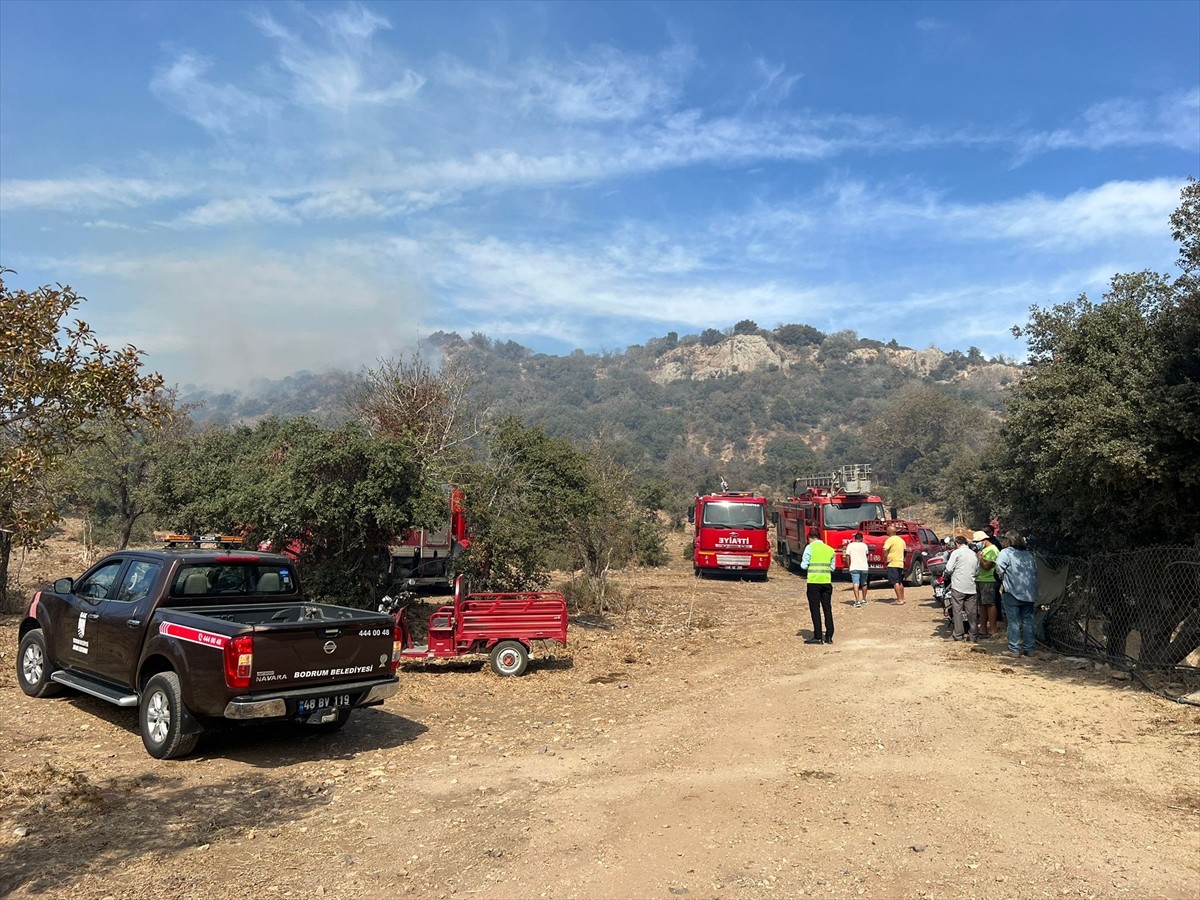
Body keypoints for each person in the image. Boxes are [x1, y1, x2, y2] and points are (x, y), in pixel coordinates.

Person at [995, 531, 1038, 658]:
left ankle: (1014, 649)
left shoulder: (1006, 552)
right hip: (1029, 593)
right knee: (1027, 621)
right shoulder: (1029, 554)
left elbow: (998, 566)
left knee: (1013, 621)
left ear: (1009, 541)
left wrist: (1001, 578)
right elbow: (1035, 570)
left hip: (1012, 592)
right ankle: (1029, 649)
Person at [800, 531, 836, 644]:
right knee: (827, 608)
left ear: (810, 538)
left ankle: (818, 636)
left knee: (815, 609)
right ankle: (829, 636)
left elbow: (804, 565)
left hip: (814, 582)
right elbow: (832, 568)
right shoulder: (830, 549)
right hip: (826, 582)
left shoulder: (810, 548)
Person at [943, 535, 980, 641]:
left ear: (957, 544)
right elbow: (977, 571)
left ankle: (958, 634)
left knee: (957, 611)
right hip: (971, 586)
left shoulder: (956, 553)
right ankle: (973, 635)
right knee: (972, 612)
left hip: (958, 586)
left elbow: (949, 568)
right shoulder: (973, 554)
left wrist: (946, 574)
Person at [973, 529, 1000, 638]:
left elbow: (987, 565)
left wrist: (980, 558)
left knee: (990, 604)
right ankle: (983, 629)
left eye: (977, 542)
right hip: (980, 579)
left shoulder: (992, 550)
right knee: (982, 605)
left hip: (989, 580)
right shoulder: (984, 549)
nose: (976, 544)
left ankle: (993, 629)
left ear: (983, 540)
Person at [882, 524, 906, 604]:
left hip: (893, 563)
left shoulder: (890, 540)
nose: (886, 532)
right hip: (900, 563)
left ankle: (899, 600)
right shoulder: (901, 540)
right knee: (899, 582)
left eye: (887, 530)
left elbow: (885, 550)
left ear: (889, 532)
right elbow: (905, 550)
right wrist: (903, 558)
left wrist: (885, 559)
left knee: (895, 582)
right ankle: (902, 598)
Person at [845, 532, 870, 607]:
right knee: (864, 583)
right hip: (864, 567)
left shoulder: (850, 545)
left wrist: (849, 565)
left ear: (854, 538)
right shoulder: (864, 545)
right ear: (862, 538)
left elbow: (847, 556)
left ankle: (857, 601)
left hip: (854, 567)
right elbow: (867, 555)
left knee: (856, 584)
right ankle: (864, 599)